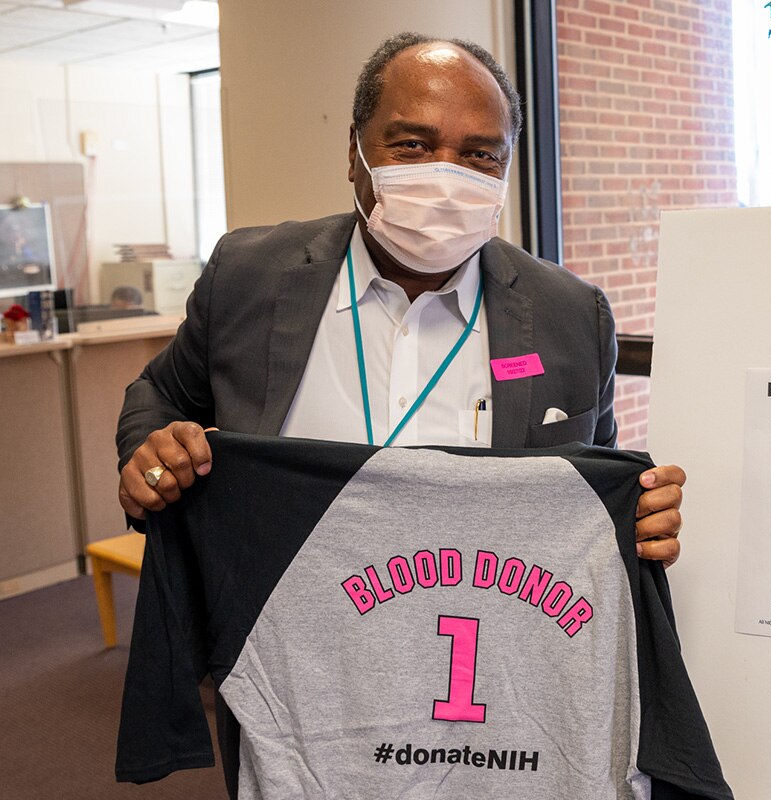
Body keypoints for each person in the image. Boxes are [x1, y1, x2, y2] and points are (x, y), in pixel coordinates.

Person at [115, 32, 685, 564]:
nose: (445, 177)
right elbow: (161, 393)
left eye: (480, 155)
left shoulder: (573, 315)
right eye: (412, 145)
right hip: (276, 641)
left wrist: (635, 518)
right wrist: (152, 456)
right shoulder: (248, 275)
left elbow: (593, 484)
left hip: (482, 648)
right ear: (354, 153)